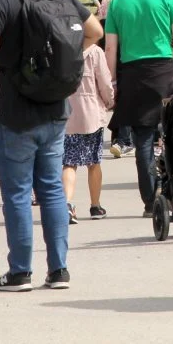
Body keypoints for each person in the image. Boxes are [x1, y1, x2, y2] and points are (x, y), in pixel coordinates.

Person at [0, 0, 103, 291]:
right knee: (53, 190)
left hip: (14, 111)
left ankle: (20, 270)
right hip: (55, 108)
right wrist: (60, 65)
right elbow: (94, 31)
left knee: (17, 193)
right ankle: (59, 270)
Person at [104, 0, 173, 218]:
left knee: (143, 140)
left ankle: (150, 200)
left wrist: (111, 80)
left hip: (133, 74)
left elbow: (110, 47)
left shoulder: (118, 1)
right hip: (166, 71)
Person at [63, 43, 114, 224]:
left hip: (66, 113)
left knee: (69, 163)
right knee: (94, 162)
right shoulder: (94, 52)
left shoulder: (61, 46)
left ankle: (66, 205)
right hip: (91, 112)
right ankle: (95, 205)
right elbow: (105, 82)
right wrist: (109, 101)